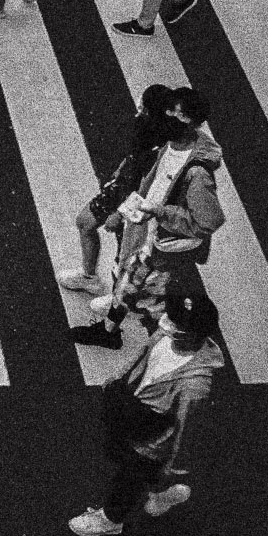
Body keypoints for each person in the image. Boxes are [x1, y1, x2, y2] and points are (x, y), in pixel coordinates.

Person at [70, 87, 225, 352]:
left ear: (188, 121)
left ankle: (169, 352)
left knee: (147, 299)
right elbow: (149, 183)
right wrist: (124, 212)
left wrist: (160, 213)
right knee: (128, 283)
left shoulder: (197, 172)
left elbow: (208, 221)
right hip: (146, 231)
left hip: (164, 243)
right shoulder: (171, 145)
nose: (162, 117)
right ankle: (110, 331)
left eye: (170, 113)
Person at [67, 293, 225, 536]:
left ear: (192, 334)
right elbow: (142, 354)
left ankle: (110, 520)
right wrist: (117, 379)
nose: (166, 321)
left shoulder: (195, 385)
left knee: (129, 478)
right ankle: (163, 493)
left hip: (152, 437)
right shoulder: (166, 336)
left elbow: (184, 430)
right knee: (117, 452)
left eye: (175, 321)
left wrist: (169, 465)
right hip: (131, 407)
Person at [58, 84, 180, 297]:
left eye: (144, 105)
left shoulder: (162, 148)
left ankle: (120, 297)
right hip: (123, 187)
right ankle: (91, 278)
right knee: (85, 222)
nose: (139, 106)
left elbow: (147, 186)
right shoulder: (144, 126)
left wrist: (119, 213)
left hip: (136, 201)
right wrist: (124, 166)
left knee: (127, 251)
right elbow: (135, 156)